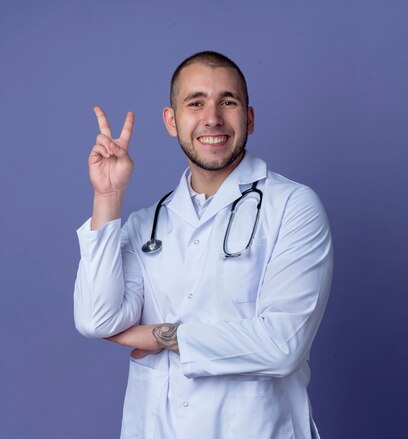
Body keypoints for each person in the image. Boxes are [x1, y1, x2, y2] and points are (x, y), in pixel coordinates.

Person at [74, 51, 333, 439]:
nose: (212, 118)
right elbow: (97, 318)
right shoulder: (149, 223)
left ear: (248, 118)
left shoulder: (293, 206)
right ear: (171, 120)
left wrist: (163, 335)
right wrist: (108, 197)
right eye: (195, 103)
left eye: (227, 102)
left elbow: (283, 345)